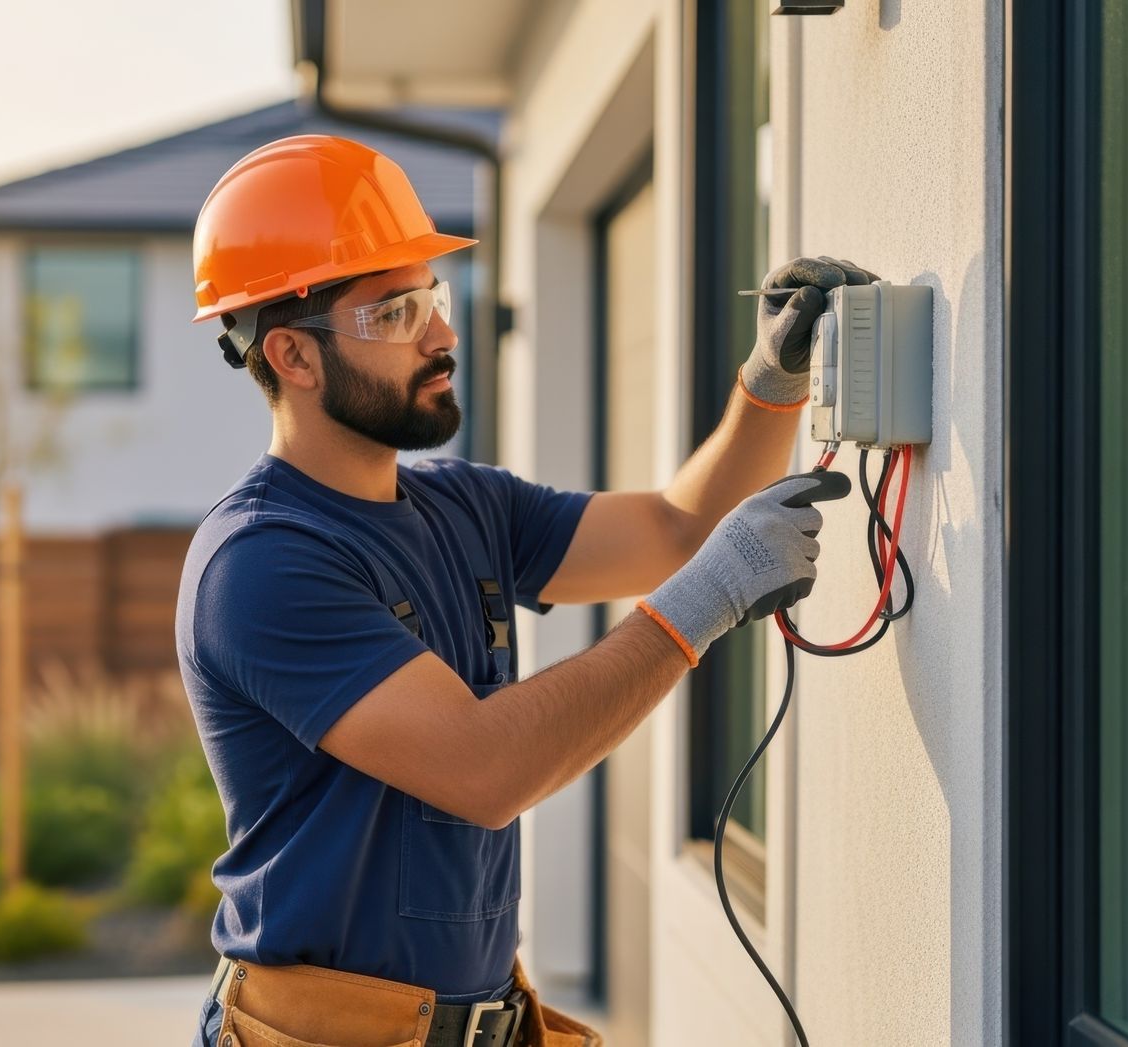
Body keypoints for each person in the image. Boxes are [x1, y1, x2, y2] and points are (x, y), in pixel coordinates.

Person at [179, 133, 859, 1047]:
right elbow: (482, 771)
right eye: (394, 313)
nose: (443, 334)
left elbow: (674, 530)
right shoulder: (260, 563)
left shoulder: (464, 504)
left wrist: (773, 383)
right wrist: (710, 598)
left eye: (435, 297)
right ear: (294, 358)